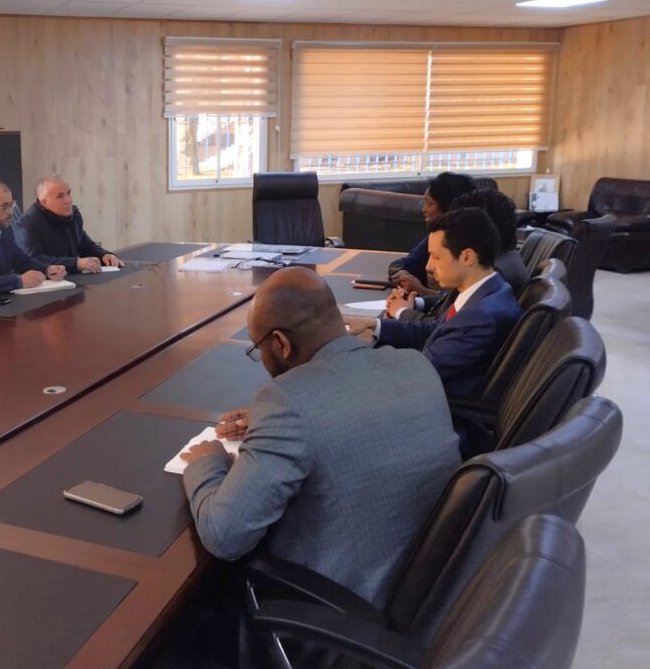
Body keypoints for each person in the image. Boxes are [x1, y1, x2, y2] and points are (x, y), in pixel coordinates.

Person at [179, 267, 460, 610]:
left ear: (281, 343)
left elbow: (224, 536)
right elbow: (346, 404)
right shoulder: (415, 364)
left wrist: (206, 462)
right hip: (438, 590)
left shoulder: (286, 401)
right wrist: (276, 424)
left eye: (258, 348)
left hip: (351, 609)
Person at [347, 208, 521, 400]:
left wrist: (361, 358)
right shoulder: (489, 291)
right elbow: (433, 331)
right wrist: (374, 325)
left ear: (467, 257)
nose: (428, 266)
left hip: (438, 402)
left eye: (436, 257)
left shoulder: (480, 317)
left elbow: (421, 372)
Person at [388, 188, 529, 321]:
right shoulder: (506, 258)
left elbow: (443, 325)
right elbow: (453, 303)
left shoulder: (494, 273)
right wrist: (416, 302)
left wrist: (402, 312)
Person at [388, 172, 477, 287]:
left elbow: (457, 295)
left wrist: (422, 291)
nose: (423, 210)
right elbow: (402, 264)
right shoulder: (437, 235)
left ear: (448, 208)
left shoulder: (471, 242)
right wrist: (404, 275)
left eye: (430, 204)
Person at [19, 176, 122, 274]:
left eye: (68, 193)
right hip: (45, 282)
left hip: (71, 278)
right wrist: (75, 263)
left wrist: (103, 255)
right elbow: (34, 260)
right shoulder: (28, 223)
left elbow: (85, 244)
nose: (68, 200)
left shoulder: (73, 215)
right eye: (60, 197)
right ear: (44, 202)